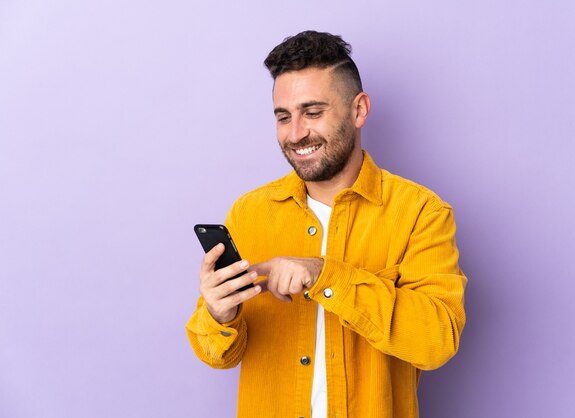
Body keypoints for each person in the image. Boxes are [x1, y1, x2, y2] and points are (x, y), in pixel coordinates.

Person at [186, 30, 467, 418]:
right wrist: (220, 315)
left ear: (359, 110)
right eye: (284, 117)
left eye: (313, 112)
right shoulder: (249, 213)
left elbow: (436, 341)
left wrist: (325, 275)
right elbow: (218, 356)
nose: (296, 133)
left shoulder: (421, 212)